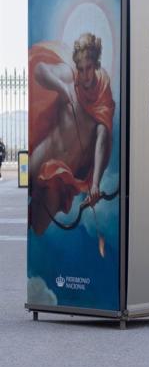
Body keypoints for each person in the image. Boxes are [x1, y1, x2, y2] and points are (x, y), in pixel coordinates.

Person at [28, 33, 115, 240]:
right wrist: (61, 86)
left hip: (59, 179)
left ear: (96, 63)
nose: (85, 75)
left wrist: (95, 184)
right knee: (25, 202)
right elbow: (40, 70)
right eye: (81, 69)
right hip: (43, 154)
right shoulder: (70, 75)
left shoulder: (103, 95)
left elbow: (102, 139)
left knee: (38, 227)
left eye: (89, 68)